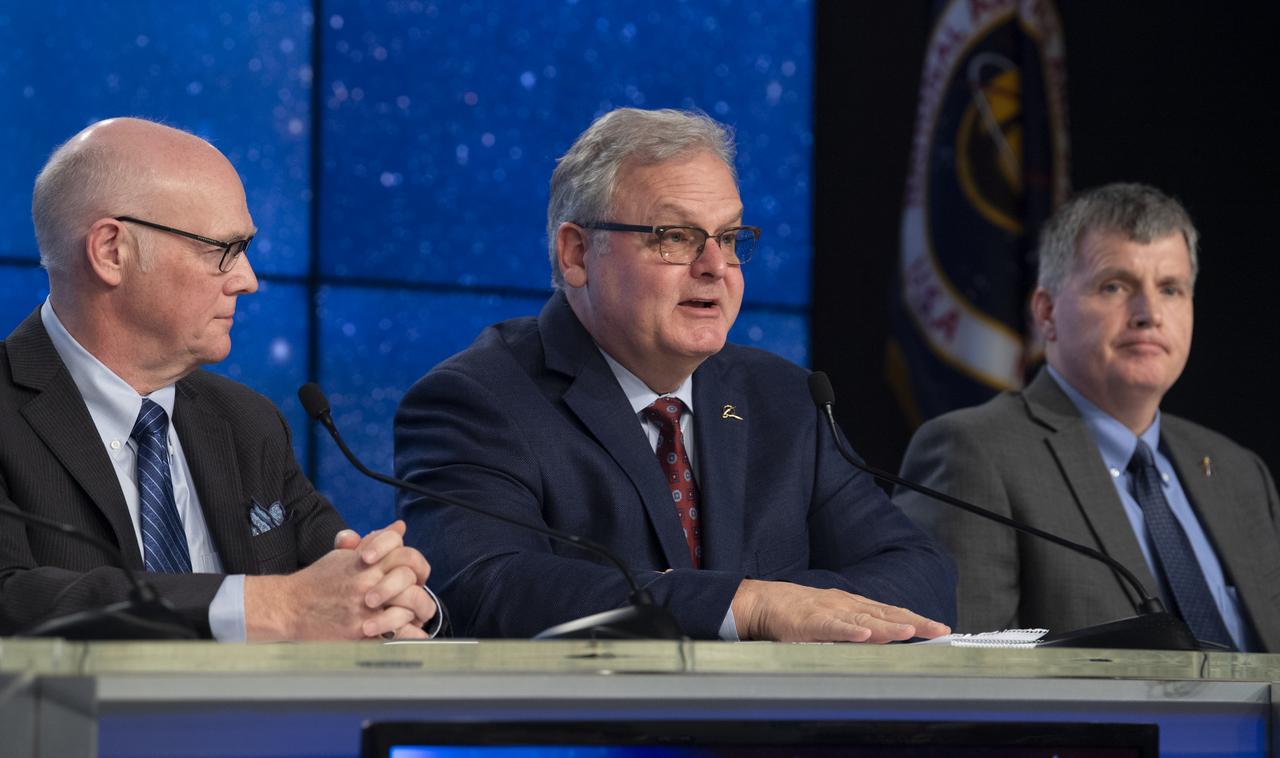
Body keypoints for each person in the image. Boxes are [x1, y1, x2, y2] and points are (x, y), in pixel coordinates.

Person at [395, 108, 955, 641]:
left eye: (728, 238)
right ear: (577, 254)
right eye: (675, 237)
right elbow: (484, 587)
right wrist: (747, 605)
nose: (715, 267)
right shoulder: (477, 400)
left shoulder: (784, 398)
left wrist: (786, 604)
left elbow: (921, 576)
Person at [0, 118, 439, 641]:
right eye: (223, 249)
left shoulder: (248, 423)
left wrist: (392, 597)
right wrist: (271, 607)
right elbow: (13, 598)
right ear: (111, 251)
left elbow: (338, 585)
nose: (248, 280)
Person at [897, 182, 1280, 651]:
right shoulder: (974, 453)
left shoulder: (1240, 474)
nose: (1149, 314)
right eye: (1114, 286)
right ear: (1046, 313)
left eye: (1170, 289)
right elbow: (962, 677)